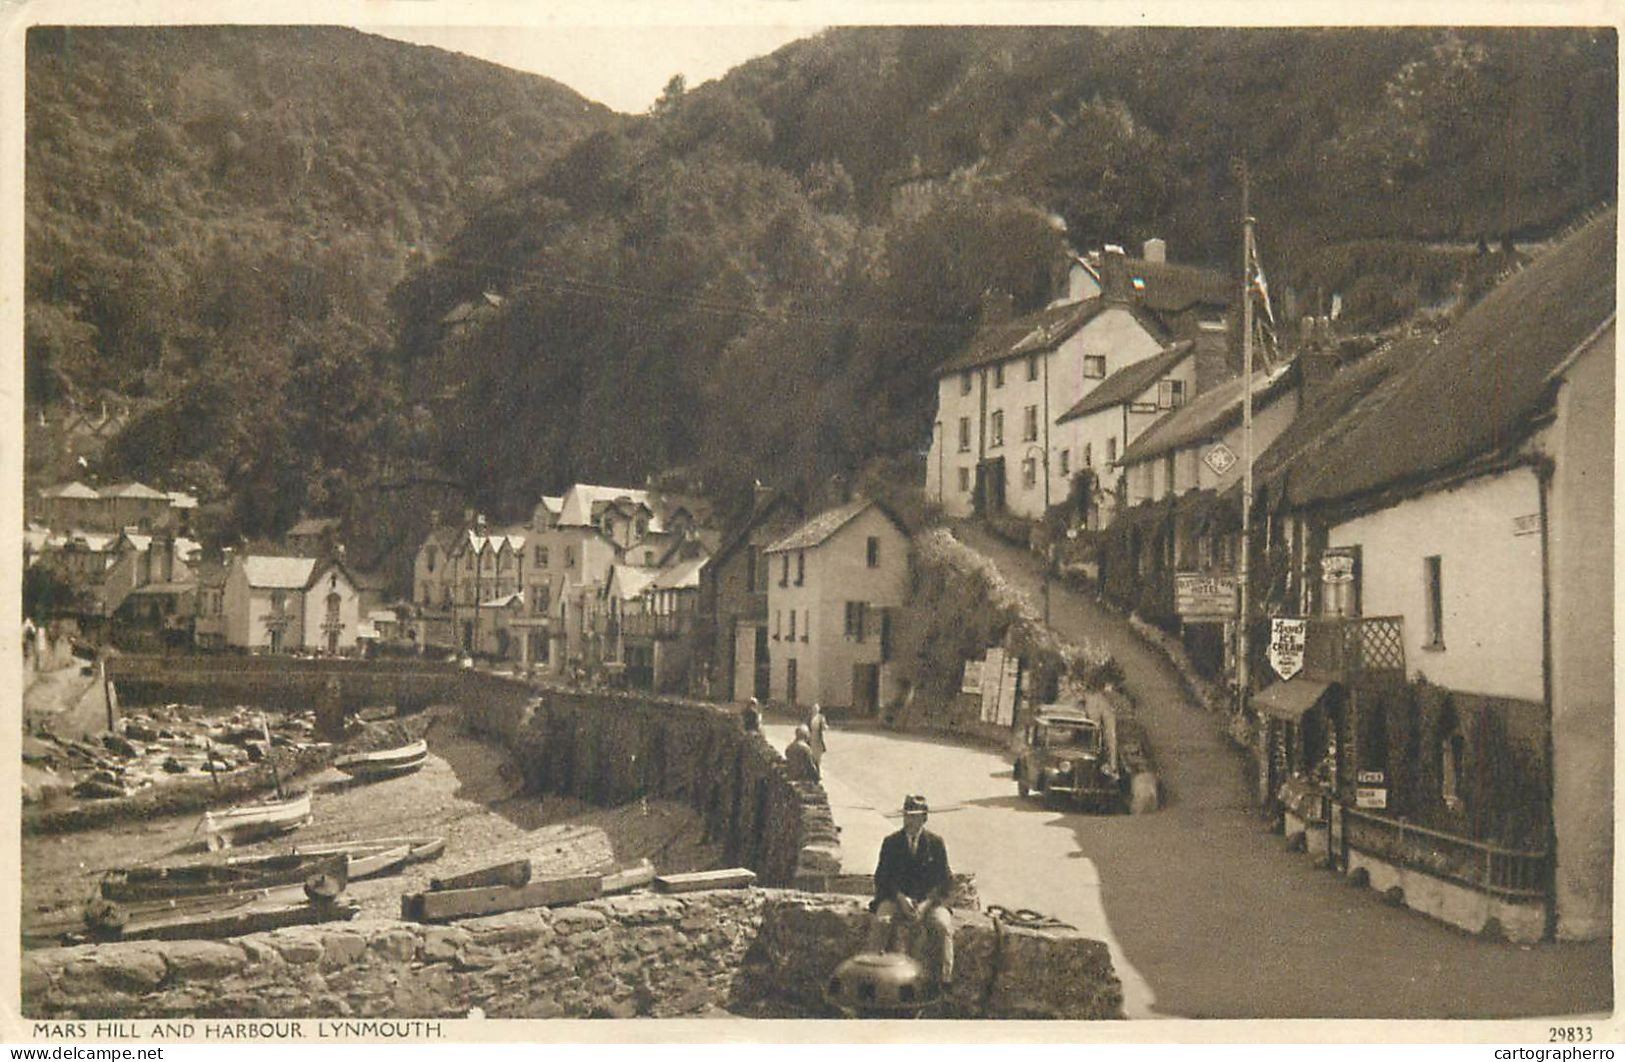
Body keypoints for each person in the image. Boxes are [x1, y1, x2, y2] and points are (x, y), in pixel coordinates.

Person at [868, 794, 954, 985]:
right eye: (907, 816)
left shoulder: (935, 843)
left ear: (924, 818)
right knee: (881, 922)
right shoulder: (891, 842)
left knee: (943, 926)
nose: (910, 821)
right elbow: (882, 877)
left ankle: (944, 979)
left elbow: (944, 881)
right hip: (895, 899)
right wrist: (900, 898)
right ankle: (871, 976)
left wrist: (926, 904)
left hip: (929, 902)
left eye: (914, 816)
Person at [806, 702, 828, 768]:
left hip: (818, 738)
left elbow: (824, 726)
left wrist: (825, 727)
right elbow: (806, 726)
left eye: (816, 708)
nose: (815, 710)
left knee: (818, 755)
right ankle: (812, 769)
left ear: (819, 709)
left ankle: (818, 769)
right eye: (814, 708)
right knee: (811, 754)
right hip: (811, 737)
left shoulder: (821, 717)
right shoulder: (809, 717)